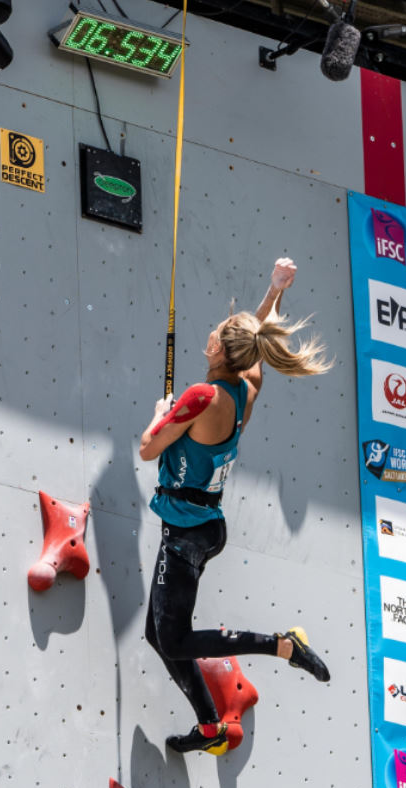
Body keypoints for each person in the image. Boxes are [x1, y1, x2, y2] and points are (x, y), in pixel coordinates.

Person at [138, 257, 334, 756]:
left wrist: (161, 414)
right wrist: (274, 290)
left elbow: (147, 449)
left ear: (222, 352)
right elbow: (258, 335)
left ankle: (282, 645)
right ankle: (210, 728)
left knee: (173, 640)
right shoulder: (245, 389)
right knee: (159, 634)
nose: (208, 333)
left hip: (186, 534)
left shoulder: (200, 398)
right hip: (202, 527)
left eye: (216, 333)